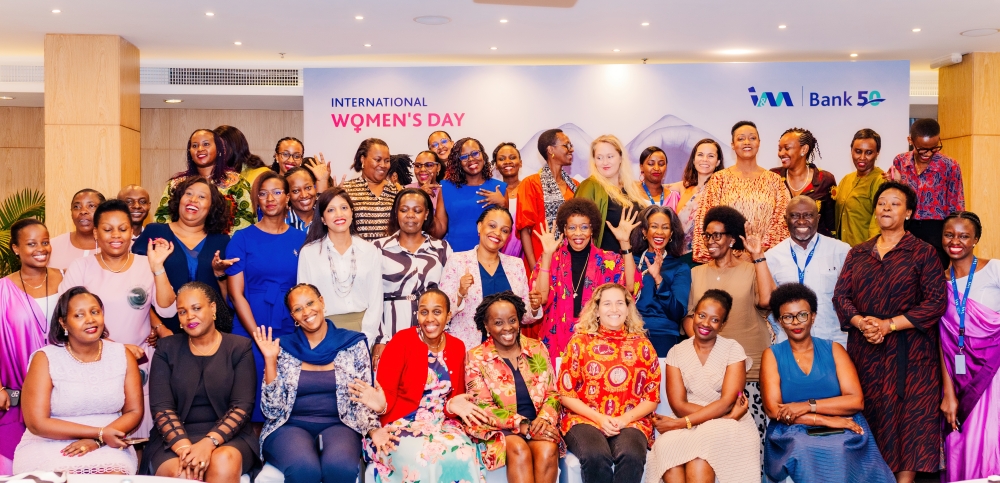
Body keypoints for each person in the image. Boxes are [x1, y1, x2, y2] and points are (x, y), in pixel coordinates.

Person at [833, 181, 947, 482]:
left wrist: (889, 325)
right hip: (866, 351)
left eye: (895, 203)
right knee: (872, 417)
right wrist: (862, 323)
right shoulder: (858, 253)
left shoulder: (924, 253)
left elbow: (936, 302)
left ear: (908, 212)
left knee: (910, 421)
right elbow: (841, 298)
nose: (886, 207)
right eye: (882, 202)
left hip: (911, 353)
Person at [59, 200, 178, 438]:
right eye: (107, 229)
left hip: (140, 363)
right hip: (94, 362)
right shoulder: (81, 267)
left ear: (131, 232)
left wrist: (157, 268)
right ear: (95, 232)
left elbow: (167, 310)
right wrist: (118, 350)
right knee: (102, 435)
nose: (116, 235)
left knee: (140, 436)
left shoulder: (146, 264)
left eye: (123, 229)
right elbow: (68, 318)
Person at [348, 289, 487, 483]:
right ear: (417, 314)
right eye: (424, 312)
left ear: (448, 315)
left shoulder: (457, 346)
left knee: (464, 454)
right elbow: (385, 396)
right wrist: (381, 405)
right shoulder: (401, 341)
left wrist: (450, 406)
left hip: (442, 424)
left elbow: (455, 401)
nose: (429, 319)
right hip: (401, 423)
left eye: (437, 312)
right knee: (427, 459)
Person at [761, 284, 894, 483]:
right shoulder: (772, 355)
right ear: (780, 321)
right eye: (788, 317)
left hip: (844, 424)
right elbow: (773, 410)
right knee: (803, 447)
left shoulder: (835, 350)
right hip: (792, 429)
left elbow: (856, 401)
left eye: (802, 315)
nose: (796, 322)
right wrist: (825, 420)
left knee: (839, 447)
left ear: (813, 316)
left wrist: (806, 406)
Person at [254, 284, 380, 483]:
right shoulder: (283, 348)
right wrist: (270, 360)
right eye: (298, 309)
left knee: (341, 469)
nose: (306, 312)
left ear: (322, 302)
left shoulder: (353, 343)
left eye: (310, 303)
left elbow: (363, 399)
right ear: (293, 316)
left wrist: (373, 429)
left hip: (340, 424)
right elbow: (272, 411)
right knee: (304, 470)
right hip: (289, 426)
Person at [13, 287, 142, 474]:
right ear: (63, 323)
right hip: (48, 443)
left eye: (95, 312)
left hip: (108, 445)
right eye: (79, 315)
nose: (90, 319)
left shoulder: (122, 355)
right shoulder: (45, 358)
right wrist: (98, 433)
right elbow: (36, 423)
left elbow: (134, 411)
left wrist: (98, 441)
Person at [142, 282, 259, 479]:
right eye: (182, 311)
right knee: (182, 472)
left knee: (223, 461)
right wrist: (185, 449)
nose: (190, 316)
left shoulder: (239, 347)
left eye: (196, 308)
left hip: (230, 437)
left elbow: (241, 407)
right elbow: (162, 409)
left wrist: (208, 443)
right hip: (173, 439)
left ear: (212, 308)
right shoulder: (166, 348)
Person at [645, 290, 757, 483]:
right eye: (702, 315)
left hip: (729, 425)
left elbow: (728, 401)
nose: (705, 324)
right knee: (668, 456)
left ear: (722, 325)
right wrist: (724, 416)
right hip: (707, 418)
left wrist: (679, 424)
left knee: (699, 460)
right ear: (694, 315)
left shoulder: (733, 349)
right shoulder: (677, 352)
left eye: (714, 320)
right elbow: (679, 405)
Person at [685, 206, 775, 445]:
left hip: (750, 370)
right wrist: (700, 349)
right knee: (715, 444)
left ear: (732, 238)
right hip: (711, 374)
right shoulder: (697, 273)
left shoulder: (751, 268)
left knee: (753, 442)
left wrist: (758, 255)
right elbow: (689, 317)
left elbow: (767, 301)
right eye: (707, 235)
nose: (710, 241)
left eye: (717, 235)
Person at [558, 282, 660, 483]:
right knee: (596, 455)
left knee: (631, 455)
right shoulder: (580, 342)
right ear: (596, 310)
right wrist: (599, 418)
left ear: (628, 308)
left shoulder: (643, 345)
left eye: (620, 303)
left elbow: (651, 397)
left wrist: (623, 420)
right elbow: (565, 394)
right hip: (584, 419)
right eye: (607, 304)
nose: (614, 309)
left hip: (630, 420)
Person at [226, 171, 307, 423]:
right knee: (248, 394)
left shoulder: (302, 238)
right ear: (257, 201)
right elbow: (235, 293)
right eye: (262, 193)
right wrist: (257, 335)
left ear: (288, 199)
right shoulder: (241, 238)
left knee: (287, 391)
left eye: (277, 192)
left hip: (288, 325)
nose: (269, 198)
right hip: (249, 324)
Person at [464, 292, 562, 483]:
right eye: (498, 323)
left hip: (537, 425)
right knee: (518, 448)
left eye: (512, 320)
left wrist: (543, 420)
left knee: (548, 449)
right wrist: (522, 425)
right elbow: (483, 407)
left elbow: (552, 393)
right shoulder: (476, 357)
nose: (507, 328)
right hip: (500, 430)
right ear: (486, 326)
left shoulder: (537, 348)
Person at [530, 198, 639, 361]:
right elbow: (541, 298)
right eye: (572, 227)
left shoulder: (609, 260)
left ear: (592, 229)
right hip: (555, 343)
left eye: (584, 227)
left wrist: (624, 242)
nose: (578, 233)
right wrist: (546, 255)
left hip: (597, 342)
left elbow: (630, 287)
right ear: (564, 229)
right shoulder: (553, 259)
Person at [939, 211, 1000, 481]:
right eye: (950, 235)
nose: (956, 241)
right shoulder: (937, 283)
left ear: (975, 239)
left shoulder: (995, 270)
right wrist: (948, 393)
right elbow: (938, 342)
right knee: (963, 444)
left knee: (991, 441)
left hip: (994, 373)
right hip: (957, 377)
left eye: (964, 236)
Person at [133, 176, 235, 334]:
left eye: (202, 197)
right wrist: (158, 327)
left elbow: (230, 300)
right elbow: (136, 289)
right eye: (188, 194)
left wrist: (220, 276)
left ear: (211, 207)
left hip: (210, 334)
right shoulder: (155, 232)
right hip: (164, 332)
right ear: (179, 199)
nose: (193, 200)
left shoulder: (222, 242)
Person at [0, 220, 63, 474]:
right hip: (18, 399)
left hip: (66, 395)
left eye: (45, 242)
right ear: (16, 248)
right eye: (31, 244)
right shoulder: (2, 289)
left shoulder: (68, 278)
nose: (41, 249)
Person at [440, 206, 539, 350]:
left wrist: (534, 308)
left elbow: (523, 317)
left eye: (504, 230)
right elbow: (443, 311)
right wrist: (460, 293)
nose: (497, 233)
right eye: (492, 226)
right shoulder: (457, 261)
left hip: (508, 350)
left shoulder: (516, 265)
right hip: (469, 351)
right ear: (479, 227)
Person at [372, 188, 451, 365]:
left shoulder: (442, 248)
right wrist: (379, 340)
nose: (410, 215)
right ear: (396, 213)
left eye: (417, 210)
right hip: (391, 331)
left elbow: (449, 295)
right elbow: (370, 299)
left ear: (426, 214)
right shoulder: (378, 249)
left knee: (432, 387)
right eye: (404, 209)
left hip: (432, 331)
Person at [693, 121, 789, 263]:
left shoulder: (774, 181)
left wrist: (756, 252)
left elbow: (782, 224)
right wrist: (732, 256)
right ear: (732, 145)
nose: (746, 142)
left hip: (766, 261)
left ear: (759, 142)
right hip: (726, 262)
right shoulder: (719, 179)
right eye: (740, 138)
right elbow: (705, 221)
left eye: (752, 138)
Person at [297, 187, 383, 343]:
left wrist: (366, 338)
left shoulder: (370, 250)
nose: (339, 214)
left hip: (362, 328)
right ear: (322, 218)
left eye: (344, 208)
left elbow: (376, 301)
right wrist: (318, 336)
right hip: (324, 331)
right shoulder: (309, 253)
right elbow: (305, 301)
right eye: (331, 210)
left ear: (351, 212)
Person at [764, 196, 850, 346]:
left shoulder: (841, 251)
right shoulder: (771, 257)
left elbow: (851, 298)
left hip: (833, 341)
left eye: (808, 215)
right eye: (795, 215)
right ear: (785, 219)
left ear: (818, 218)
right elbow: (768, 305)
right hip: (789, 345)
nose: (802, 221)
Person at [890, 118, 965, 268]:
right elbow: (895, 198)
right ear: (910, 140)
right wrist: (896, 183)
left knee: (932, 279)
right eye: (923, 149)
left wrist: (954, 239)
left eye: (934, 147)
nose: (929, 153)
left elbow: (956, 206)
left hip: (935, 232)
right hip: (905, 228)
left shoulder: (950, 166)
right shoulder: (900, 161)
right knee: (904, 279)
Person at [154, 128, 254, 233]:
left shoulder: (236, 182)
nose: (200, 149)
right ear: (190, 152)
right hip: (179, 245)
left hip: (226, 245)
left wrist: (226, 243)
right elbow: (161, 216)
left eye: (206, 144)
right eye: (194, 146)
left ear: (219, 149)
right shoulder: (177, 184)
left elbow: (247, 217)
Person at [629, 205, 690, 356]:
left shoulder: (680, 267)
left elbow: (678, 312)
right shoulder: (630, 261)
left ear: (671, 234)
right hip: (630, 333)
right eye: (654, 226)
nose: (659, 232)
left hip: (663, 335)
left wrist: (658, 279)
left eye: (665, 227)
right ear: (644, 231)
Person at [516, 128, 579, 271]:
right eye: (567, 145)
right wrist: (535, 270)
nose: (572, 149)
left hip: (572, 264)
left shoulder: (576, 186)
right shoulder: (531, 184)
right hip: (541, 261)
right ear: (551, 150)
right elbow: (525, 231)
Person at [575, 135, 647, 253]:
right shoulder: (590, 186)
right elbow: (577, 230)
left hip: (635, 261)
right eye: (599, 158)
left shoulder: (631, 187)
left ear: (620, 157)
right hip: (607, 265)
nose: (605, 162)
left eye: (610, 156)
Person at [440, 137, 508, 252]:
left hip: (489, 258)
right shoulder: (446, 187)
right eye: (464, 156)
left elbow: (505, 228)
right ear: (458, 162)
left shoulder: (499, 188)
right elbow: (439, 229)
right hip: (455, 258)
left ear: (483, 155)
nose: (471, 159)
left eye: (475, 153)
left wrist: (503, 203)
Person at [771, 128, 837, 237]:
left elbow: (831, 224)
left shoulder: (824, 179)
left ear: (804, 149)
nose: (781, 153)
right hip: (781, 248)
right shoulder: (774, 176)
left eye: (787, 148)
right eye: (780, 149)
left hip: (816, 248)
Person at [666, 139, 724, 261]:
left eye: (711, 156)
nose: (704, 159)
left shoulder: (721, 191)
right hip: (675, 256)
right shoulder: (685, 187)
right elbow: (655, 186)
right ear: (693, 159)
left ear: (718, 162)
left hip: (704, 258)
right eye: (700, 155)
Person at [834, 128, 885, 246]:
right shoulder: (846, 179)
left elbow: (878, 223)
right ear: (851, 151)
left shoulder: (880, 181)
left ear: (877, 153)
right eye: (858, 151)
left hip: (864, 254)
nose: (862, 157)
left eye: (868, 152)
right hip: (843, 252)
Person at [341, 138, 398, 241]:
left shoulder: (396, 191)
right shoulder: (347, 190)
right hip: (358, 255)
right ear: (363, 159)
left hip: (389, 255)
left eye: (387, 161)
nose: (383, 165)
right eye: (377, 160)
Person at [48, 189, 105, 271]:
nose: (83, 211)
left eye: (91, 206)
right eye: (76, 207)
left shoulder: (115, 246)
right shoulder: (52, 246)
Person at [406, 150, 448, 238]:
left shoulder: (445, 191)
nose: (422, 169)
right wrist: (420, 194)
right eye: (418, 166)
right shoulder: (405, 191)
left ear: (438, 167)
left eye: (429, 165)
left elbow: (440, 231)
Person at [495, 142, 526, 258]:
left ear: (521, 163)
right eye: (502, 159)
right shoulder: (494, 190)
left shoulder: (530, 188)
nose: (507, 162)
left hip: (526, 253)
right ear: (496, 166)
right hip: (498, 253)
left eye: (512, 158)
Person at [284, 166, 318, 232]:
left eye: (308, 188)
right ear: (288, 196)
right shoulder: (281, 222)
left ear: (315, 188)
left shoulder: (324, 218)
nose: (304, 195)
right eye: (296, 191)